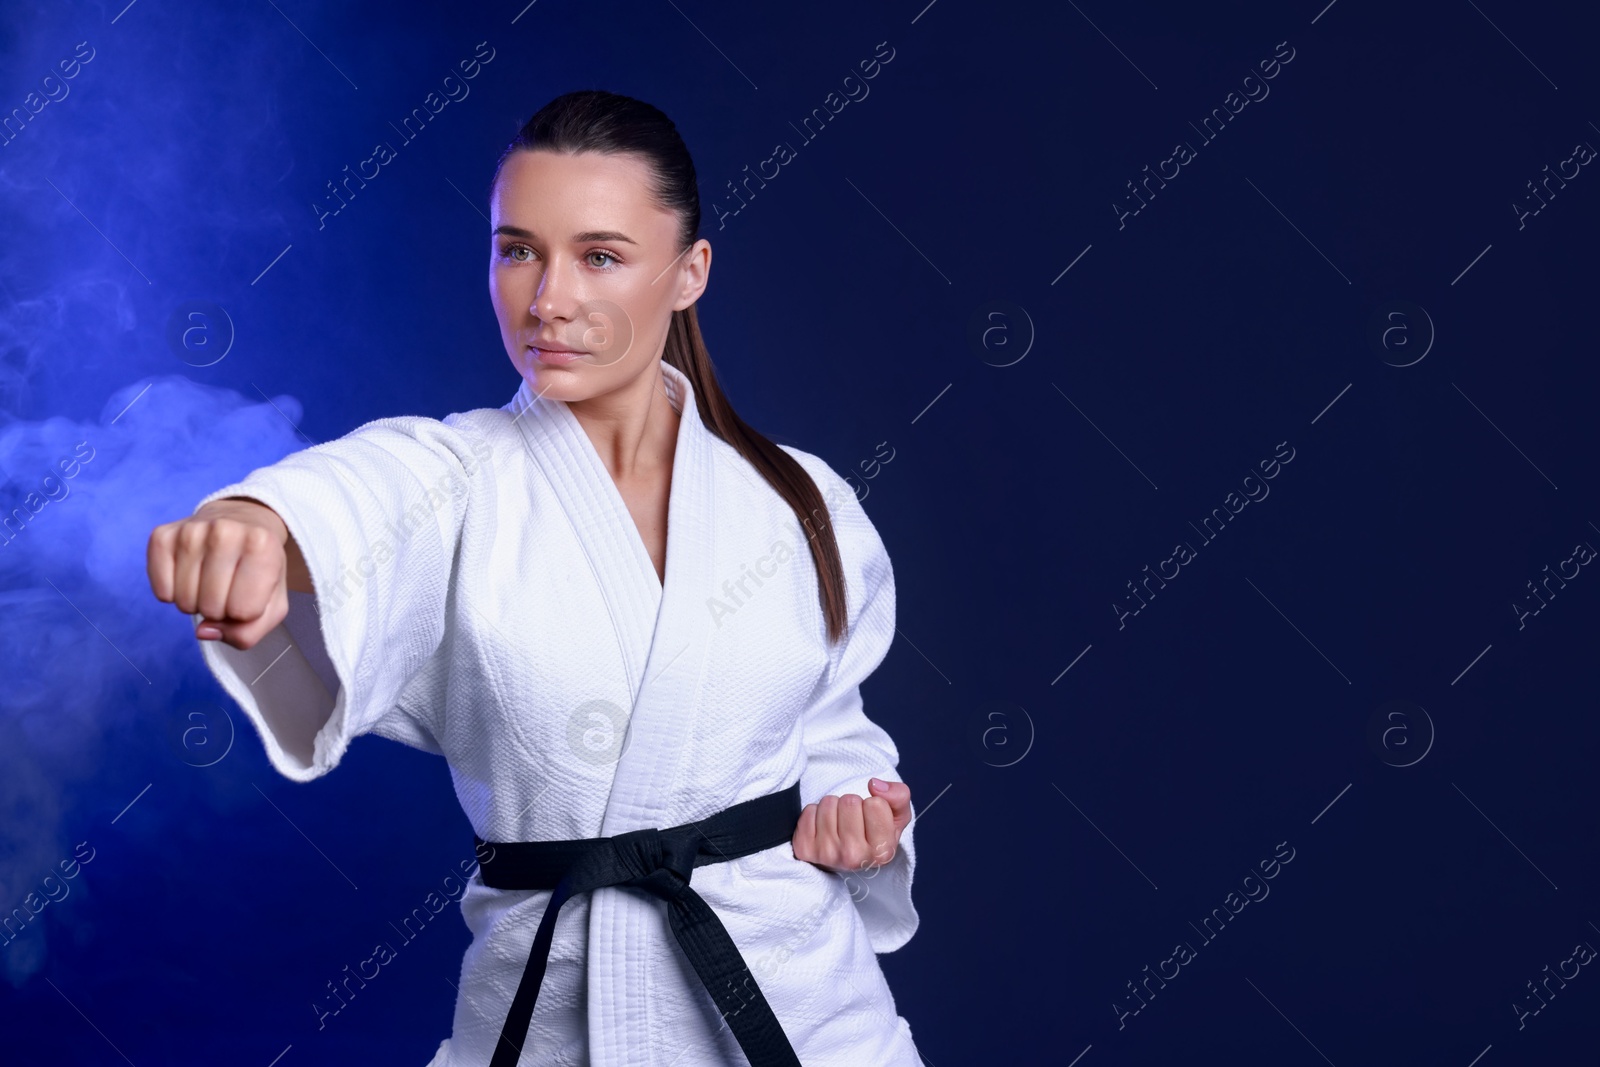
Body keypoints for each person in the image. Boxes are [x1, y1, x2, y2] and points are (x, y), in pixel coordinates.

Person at [145, 89, 922, 1066]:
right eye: (517, 249)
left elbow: (825, 724)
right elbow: (360, 494)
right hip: (548, 1029)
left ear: (689, 273)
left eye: (599, 255)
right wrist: (261, 523)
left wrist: (857, 800)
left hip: (808, 1023)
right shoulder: (458, 482)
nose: (547, 298)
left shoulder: (801, 500)